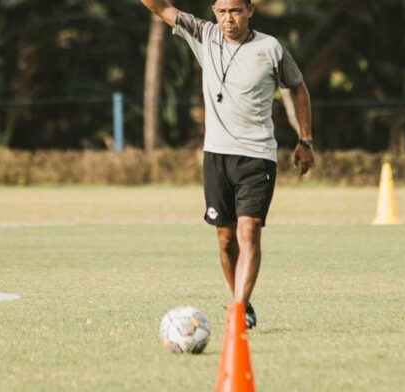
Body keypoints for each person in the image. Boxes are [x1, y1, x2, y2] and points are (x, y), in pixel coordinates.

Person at [139, 0, 314, 329]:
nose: (227, 19)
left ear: (250, 10)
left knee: (249, 232)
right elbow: (160, 8)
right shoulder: (204, 35)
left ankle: (235, 309)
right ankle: (242, 302)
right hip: (216, 155)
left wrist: (305, 140)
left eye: (235, 11)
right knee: (225, 238)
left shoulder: (270, 48)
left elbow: (299, 88)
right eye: (221, 11)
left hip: (257, 155)